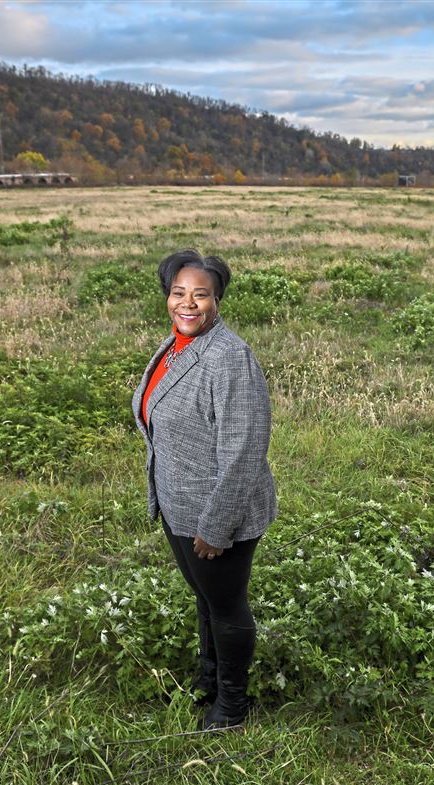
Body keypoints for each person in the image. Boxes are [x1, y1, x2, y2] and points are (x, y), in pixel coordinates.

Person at [131, 249, 277, 730]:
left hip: (219, 511)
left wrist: (216, 527)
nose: (188, 304)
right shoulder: (176, 345)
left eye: (201, 295)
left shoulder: (228, 357)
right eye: (178, 293)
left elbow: (244, 451)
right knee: (205, 596)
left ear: (218, 300)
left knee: (226, 604)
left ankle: (232, 707)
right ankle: (210, 679)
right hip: (180, 504)